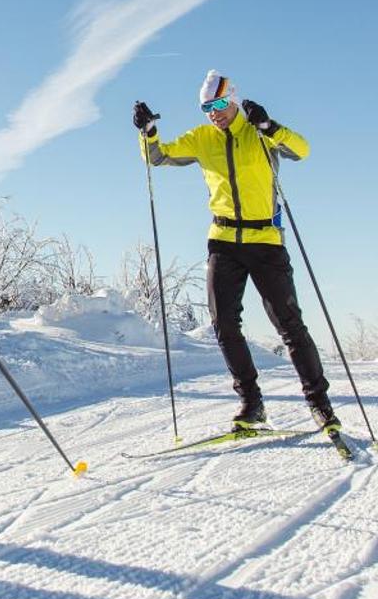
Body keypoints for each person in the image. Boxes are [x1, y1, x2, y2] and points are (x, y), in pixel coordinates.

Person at [132, 71, 341, 432]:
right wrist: (148, 131)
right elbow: (158, 156)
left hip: (266, 240)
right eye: (206, 108)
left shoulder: (258, 133)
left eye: (218, 104)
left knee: (289, 325)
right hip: (223, 240)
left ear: (232, 100)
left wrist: (270, 126)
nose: (213, 113)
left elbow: (302, 150)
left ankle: (320, 404)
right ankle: (251, 403)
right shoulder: (202, 139)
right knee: (224, 325)